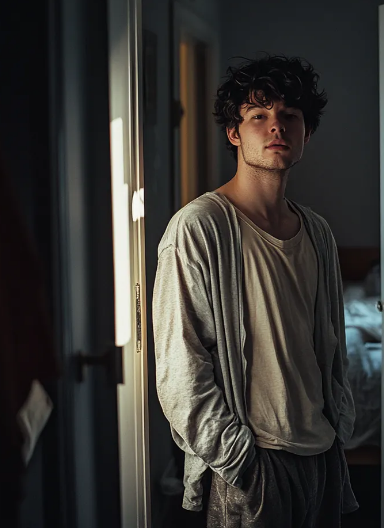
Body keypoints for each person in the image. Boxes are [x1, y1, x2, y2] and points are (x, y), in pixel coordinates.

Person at [153, 54, 358, 527]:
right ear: (234, 132)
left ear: (307, 132)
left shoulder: (317, 232)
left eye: (290, 115)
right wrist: (237, 458)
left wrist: (338, 429)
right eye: (258, 115)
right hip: (252, 463)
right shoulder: (199, 227)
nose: (276, 126)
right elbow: (180, 365)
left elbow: (334, 345)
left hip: (322, 456)